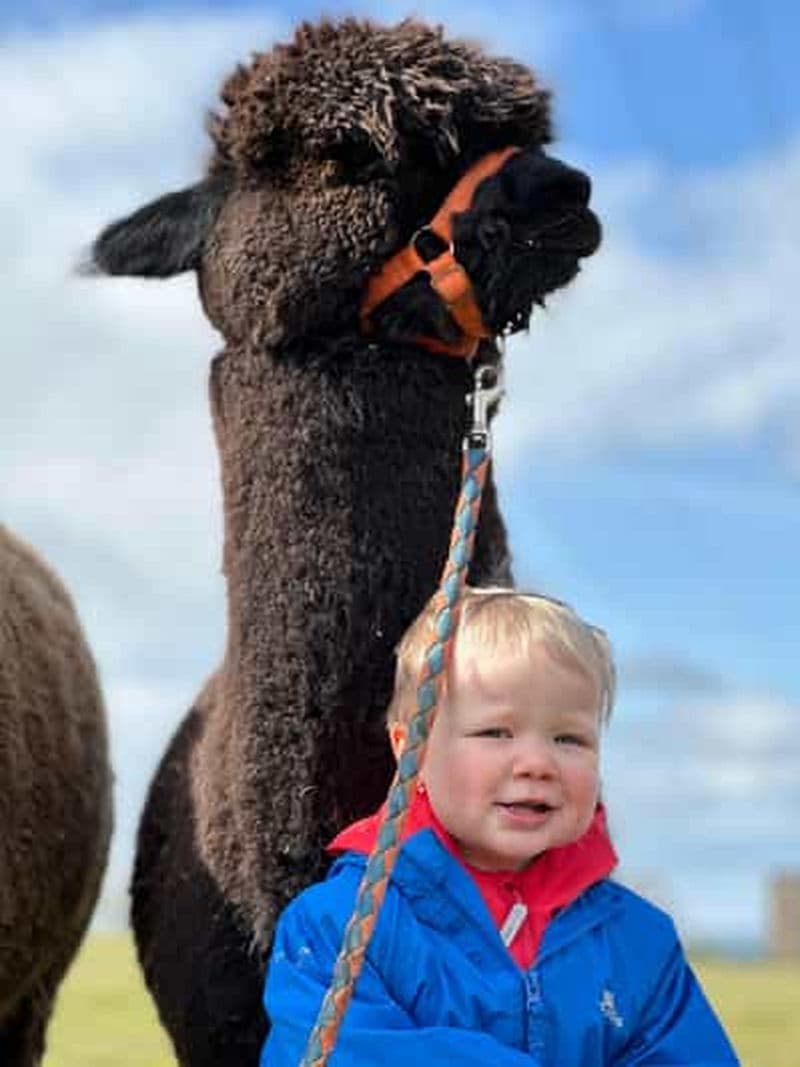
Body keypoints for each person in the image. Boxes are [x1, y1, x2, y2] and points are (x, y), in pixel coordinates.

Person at [260, 587, 739, 1066]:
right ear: (412, 750)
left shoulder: (639, 942)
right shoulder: (340, 926)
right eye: (495, 732)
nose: (537, 763)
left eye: (569, 739)